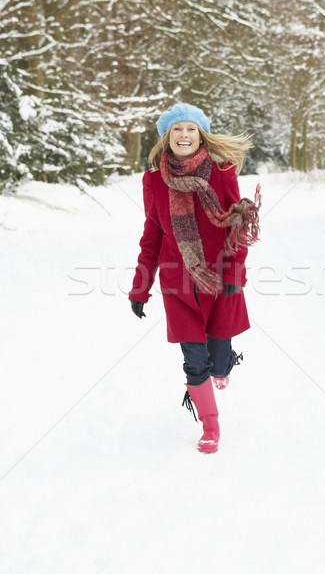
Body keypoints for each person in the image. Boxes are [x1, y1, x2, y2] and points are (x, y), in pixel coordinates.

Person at [129, 103, 261, 454]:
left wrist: (235, 273)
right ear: (166, 137)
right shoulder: (154, 180)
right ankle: (211, 426)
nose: (183, 135)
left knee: (217, 361)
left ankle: (225, 361)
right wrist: (140, 289)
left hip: (221, 280)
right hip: (179, 283)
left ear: (200, 134)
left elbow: (239, 224)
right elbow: (152, 235)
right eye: (176, 130)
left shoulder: (221, 172)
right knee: (194, 361)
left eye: (190, 129)